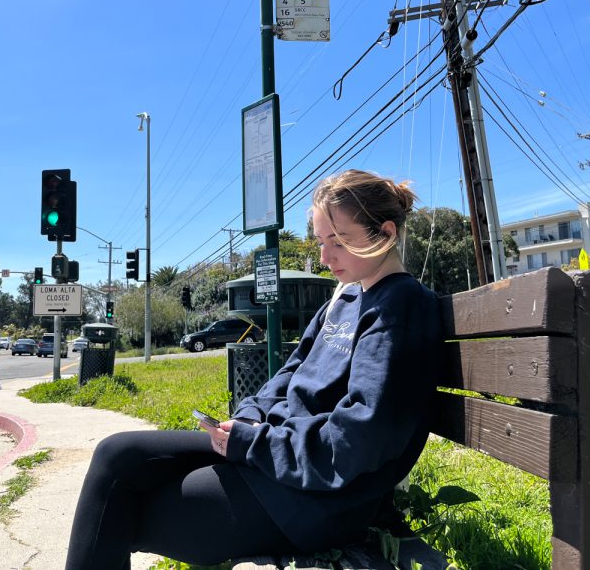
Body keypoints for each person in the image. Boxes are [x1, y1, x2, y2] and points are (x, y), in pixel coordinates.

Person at [64, 169, 442, 569]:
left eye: (339, 241)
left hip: (311, 500)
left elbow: (357, 440)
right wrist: (248, 417)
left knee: (122, 511)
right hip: (278, 458)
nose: (325, 258)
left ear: (384, 233)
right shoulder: (345, 300)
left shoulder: (400, 309)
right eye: (320, 242)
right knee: (117, 454)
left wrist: (253, 444)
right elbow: (288, 375)